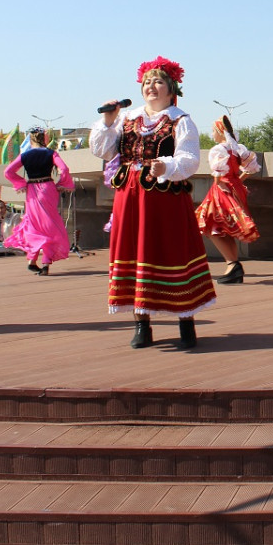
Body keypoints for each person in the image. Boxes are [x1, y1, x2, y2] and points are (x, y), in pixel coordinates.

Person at [90, 56, 216, 349]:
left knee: (170, 251)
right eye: (147, 82)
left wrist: (167, 167)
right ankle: (141, 324)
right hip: (130, 196)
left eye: (158, 81)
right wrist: (108, 121)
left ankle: (186, 322)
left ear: (171, 89)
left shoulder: (181, 121)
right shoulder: (126, 119)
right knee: (134, 251)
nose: (151, 86)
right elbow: (104, 150)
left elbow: (190, 159)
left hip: (163, 198)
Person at [195, 115, 261, 284]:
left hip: (222, 189)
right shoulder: (237, 148)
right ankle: (233, 266)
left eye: (213, 131)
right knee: (223, 227)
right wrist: (237, 181)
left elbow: (218, 171)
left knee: (209, 224)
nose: (212, 135)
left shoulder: (218, 150)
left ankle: (233, 264)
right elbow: (251, 168)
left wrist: (220, 183)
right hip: (235, 187)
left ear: (220, 132)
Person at [3, 127, 74, 276]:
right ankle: (45, 263)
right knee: (50, 226)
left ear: (30, 139)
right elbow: (64, 169)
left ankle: (32, 260)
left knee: (33, 224)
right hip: (48, 189)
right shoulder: (51, 153)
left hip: (32, 191)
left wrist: (21, 183)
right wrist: (62, 183)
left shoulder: (25, 155)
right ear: (44, 138)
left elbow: (8, 171)